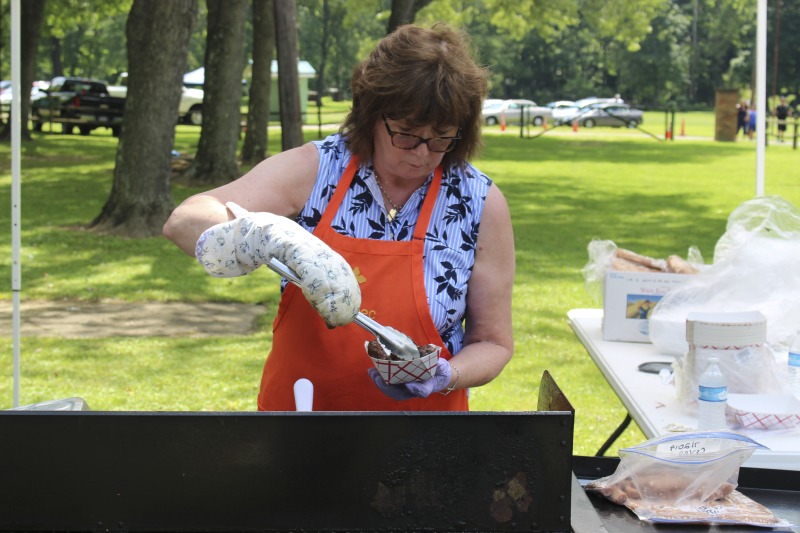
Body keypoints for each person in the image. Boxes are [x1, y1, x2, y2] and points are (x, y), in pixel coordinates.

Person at [162, 23, 515, 412]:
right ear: (372, 114)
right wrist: (263, 235)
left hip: (424, 436)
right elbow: (184, 220)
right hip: (302, 418)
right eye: (406, 134)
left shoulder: (477, 201)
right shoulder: (317, 170)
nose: (421, 153)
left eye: (441, 137)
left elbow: (493, 342)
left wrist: (447, 375)